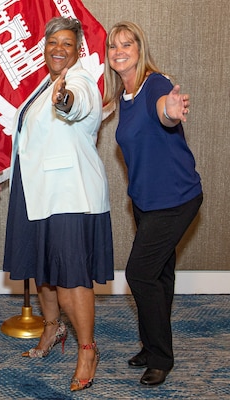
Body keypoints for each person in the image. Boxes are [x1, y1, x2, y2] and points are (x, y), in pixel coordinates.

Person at [0, 17, 114, 391]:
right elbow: (32, 145)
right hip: (38, 191)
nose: (59, 48)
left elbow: (76, 105)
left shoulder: (79, 82)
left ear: (77, 51)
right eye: (53, 42)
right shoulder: (43, 85)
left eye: (67, 44)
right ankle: (53, 330)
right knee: (43, 270)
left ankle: (87, 349)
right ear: (44, 47)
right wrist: (2, 174)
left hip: (70, 194)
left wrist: (66, 99)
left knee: (73, 274)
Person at [103, 21, 202, 387]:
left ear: (139, 48)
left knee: (140, 273)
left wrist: (170, 110)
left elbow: (163, 108)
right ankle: (151, 344)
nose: (119, 50)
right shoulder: (124, 97)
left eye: (127, 43)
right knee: (159, 273)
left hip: (177, 199)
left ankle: (161, 357)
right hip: (146, 202)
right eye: (113, 45)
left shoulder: (155, 84)